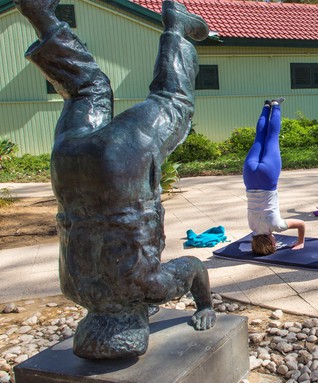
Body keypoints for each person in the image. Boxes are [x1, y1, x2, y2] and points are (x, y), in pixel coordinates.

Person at [16, 0, 216, 359]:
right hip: (70, 164)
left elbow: (195, 267)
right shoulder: (73, 290)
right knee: (87, 90)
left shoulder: (151, 289)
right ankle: (41, 14)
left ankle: (176, 28)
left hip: (120, 164)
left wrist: (205, 305)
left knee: (172, 101)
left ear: (140, 322)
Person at [244, 99, 305, 256]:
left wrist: (300, 241)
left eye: (274, 244)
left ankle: (276, 106)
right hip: (250, 177)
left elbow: (301, 224)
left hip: (267, 177)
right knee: (259, 137)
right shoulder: (252, 227)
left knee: (272, 137)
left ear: (271, 241)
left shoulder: (277, 226)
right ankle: (266, 107)